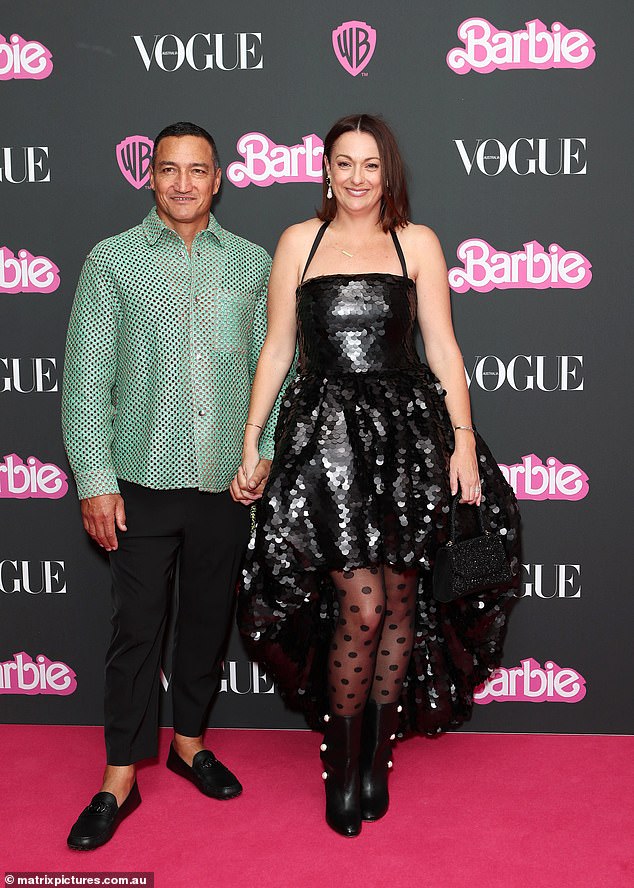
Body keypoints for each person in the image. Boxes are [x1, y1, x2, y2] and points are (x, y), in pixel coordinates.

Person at [231, 114, 521, 837]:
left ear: (387, 172)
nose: (357, 177)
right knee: (359, 609)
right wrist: (251, 438)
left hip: (406, 440)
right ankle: (340, 761)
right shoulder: (299, 242)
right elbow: (276, 349)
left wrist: (460, 442)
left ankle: (374, 763)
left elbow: (445, 349)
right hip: (326, 444)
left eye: (370, 165)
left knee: (397, 605)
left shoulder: (416, 243)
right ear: (324, 170)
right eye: (343, 163)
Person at [62, 121, 285, 850]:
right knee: (136, 627)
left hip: (227, 482)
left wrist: (267, 453)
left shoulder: (252, 265)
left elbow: (272, 372)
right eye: (169, 169)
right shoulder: (113, 261)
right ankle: (120, 773)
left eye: (198, 170)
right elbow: (88, 382)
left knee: (205, 621)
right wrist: (95, 480)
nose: (183, 182)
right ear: (149, 178)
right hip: (140, 480)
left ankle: (190, 742)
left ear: (219, 179)